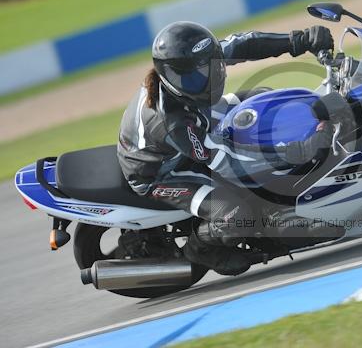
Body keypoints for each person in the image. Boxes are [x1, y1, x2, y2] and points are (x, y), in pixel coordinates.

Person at [117, 21, 335, 276]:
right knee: (236, 216)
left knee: (264, 100)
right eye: (193, 78)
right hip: (161, 172)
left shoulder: (200, 58)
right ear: (171, 76)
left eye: (209, 68)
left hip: (200, 117)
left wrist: (297, 40)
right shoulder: (170, 121)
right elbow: (225, 160)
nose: (206, 78)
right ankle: (200, 248)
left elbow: (247, 43)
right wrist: (294, 152)